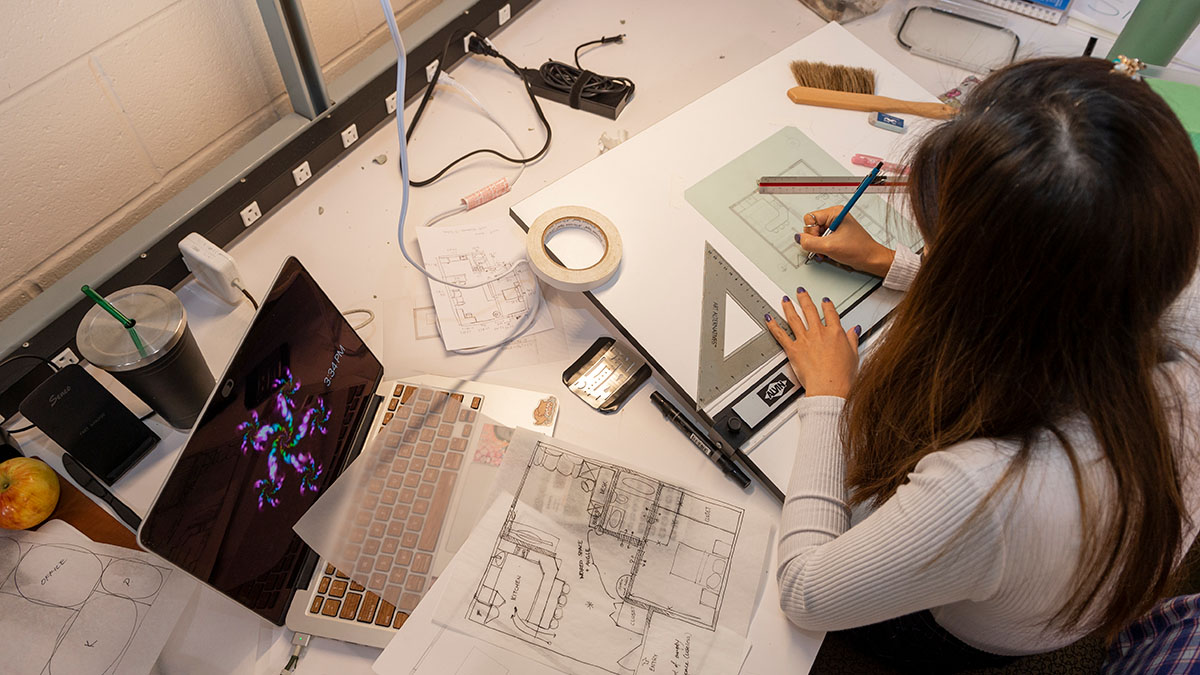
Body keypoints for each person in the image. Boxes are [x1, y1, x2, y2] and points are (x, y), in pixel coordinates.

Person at [764, 56, 1200, 671]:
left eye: (938, 242)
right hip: (1073, 586)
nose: (929, 247)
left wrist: (829, 397)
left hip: (965, 637)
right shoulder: (1170, 291)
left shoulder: (986, 490)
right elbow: (1071, 300)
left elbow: (805, 593)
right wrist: (894, 262)